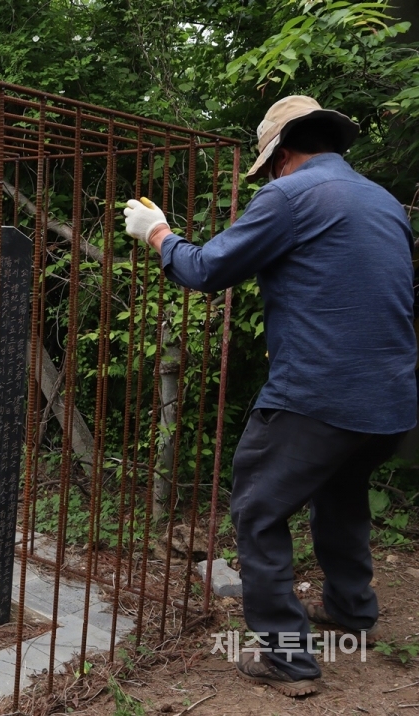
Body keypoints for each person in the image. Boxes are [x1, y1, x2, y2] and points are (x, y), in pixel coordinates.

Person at [123, 95, 416, 697]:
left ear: (282, 154)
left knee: (257, 510)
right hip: (391, 398)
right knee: (340, 493)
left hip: (316, 391)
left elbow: (206, 270)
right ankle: (352, 610)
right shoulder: (383, 200)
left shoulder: (290, 194)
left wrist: (157, 234)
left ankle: (286, 657)